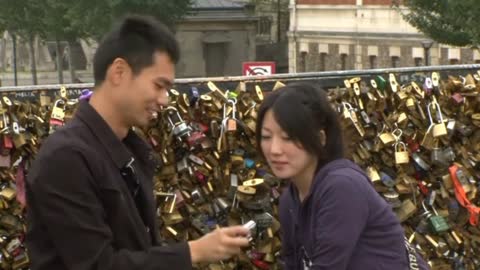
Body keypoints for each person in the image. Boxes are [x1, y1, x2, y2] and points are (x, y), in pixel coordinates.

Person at [25, 15, 250, 270]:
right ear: (119, 72)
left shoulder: (129, 149)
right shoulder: (65, 158)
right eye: (158, 85)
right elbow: (98, 264)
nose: (165, 100)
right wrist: (193, 252)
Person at [256, 83, 429, 270]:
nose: (274, 150)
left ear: (321, 139)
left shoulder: (342, 186)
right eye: (266, 137)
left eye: (288, 137)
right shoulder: (289, 201)